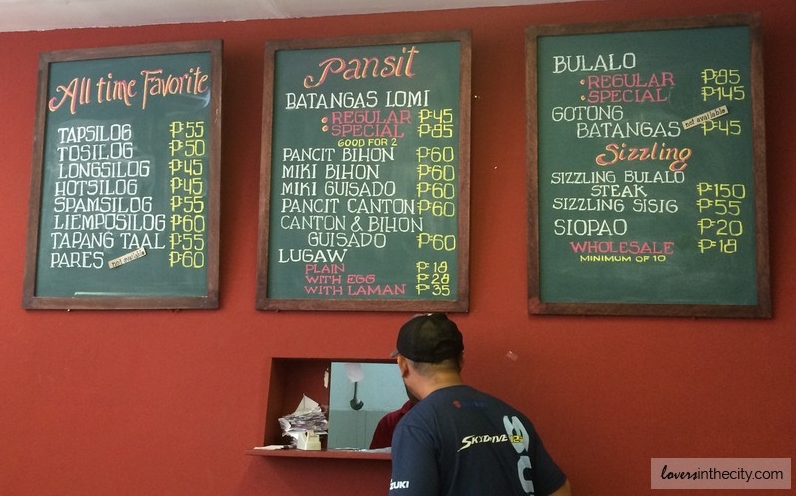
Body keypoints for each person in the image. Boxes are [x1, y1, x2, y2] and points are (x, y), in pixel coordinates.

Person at [388, 313, 572, 496]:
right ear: (461, 360)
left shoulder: (417, 426)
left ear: (402, 364)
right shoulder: (512, 417)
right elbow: (560, 490)